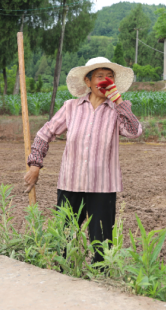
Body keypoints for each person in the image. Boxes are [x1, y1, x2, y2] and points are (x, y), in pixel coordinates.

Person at [23, 57, 143, 263]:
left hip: (103, 188)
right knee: (65, 240)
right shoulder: (71, 107)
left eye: (109, 77)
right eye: (99, 76)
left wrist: (119, 101)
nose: (105, 80)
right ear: (88, 82)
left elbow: (135, 132)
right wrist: (35, 165)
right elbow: (45, 133)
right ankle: (63, 280)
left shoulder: (117, 110)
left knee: (102, 244)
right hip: (71, 184)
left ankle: (100, 282)